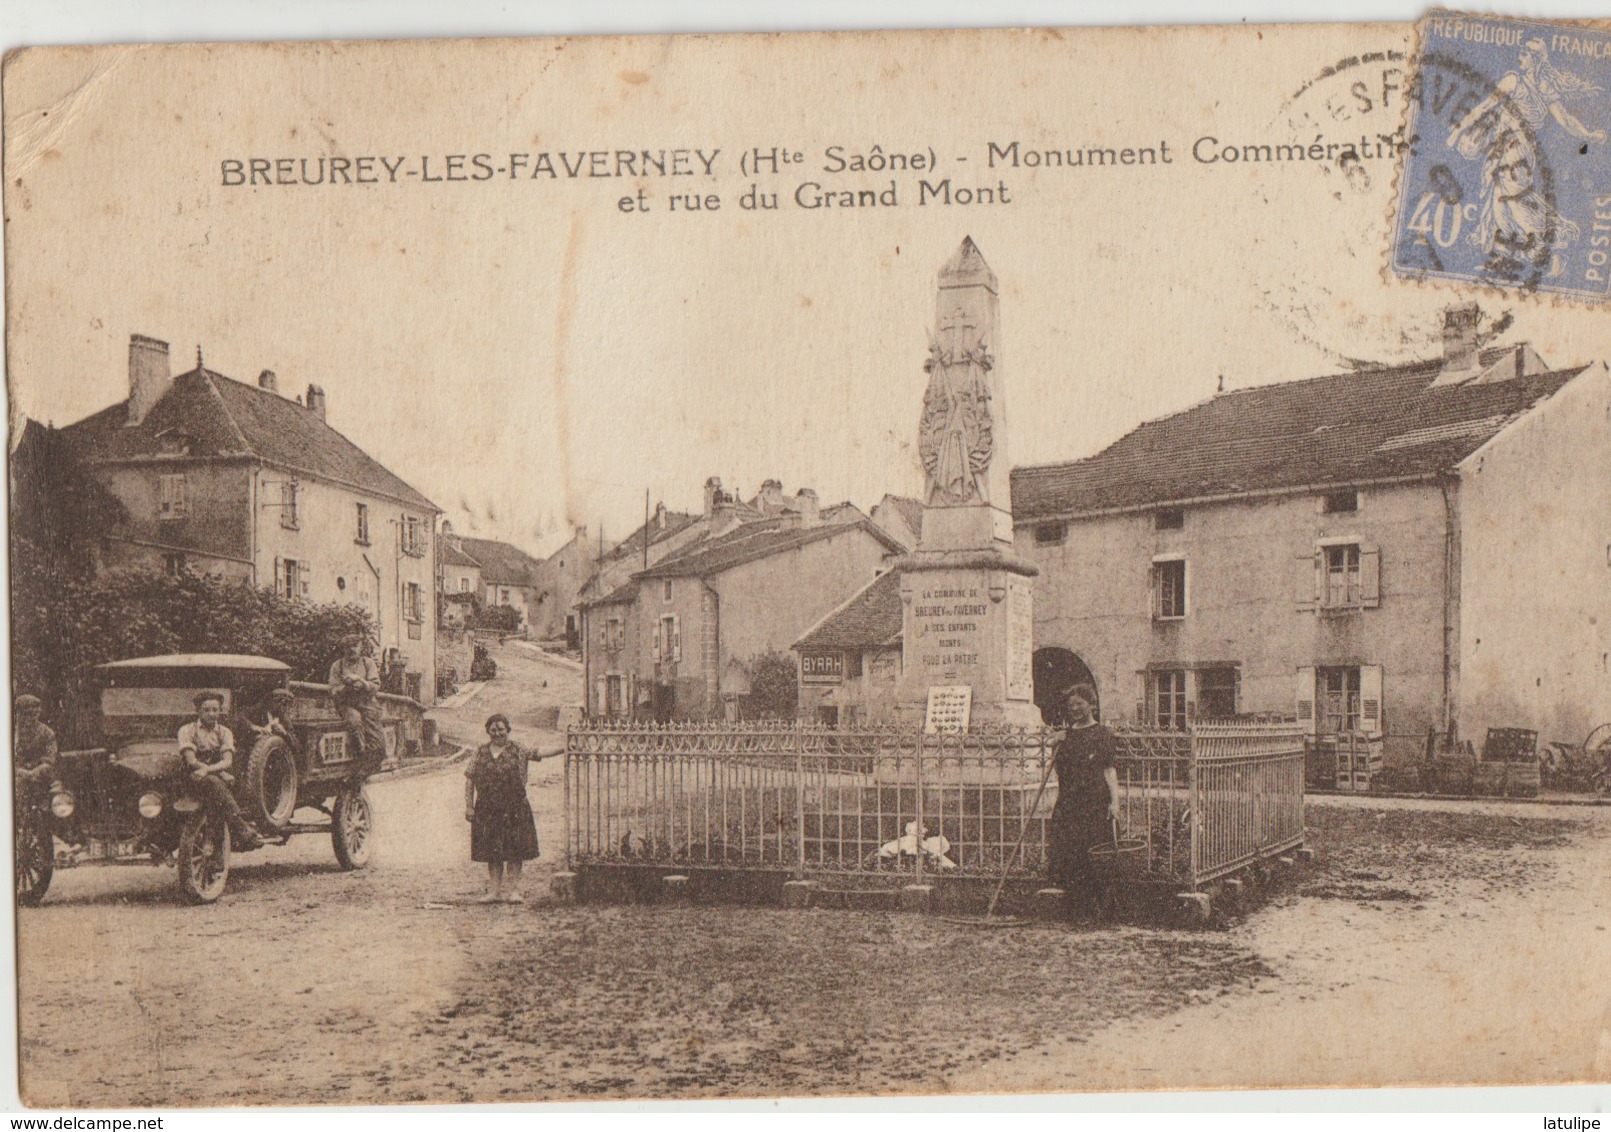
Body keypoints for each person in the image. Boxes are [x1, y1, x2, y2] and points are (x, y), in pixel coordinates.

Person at [1446, 38, 1606, 273]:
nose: (1519, 56)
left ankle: (1552, 243)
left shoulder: (1525, 83)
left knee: (1514, 199)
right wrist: (1461, 128)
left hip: (1514, 150)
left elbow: (1564, 119)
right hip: (1509, 149)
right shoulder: (1526, 83)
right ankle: (1510, 256)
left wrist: (1589, 135)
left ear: (1536, 59)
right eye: (1520, 52)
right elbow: (1487, 107)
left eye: (1524, 53)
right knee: (1500, 200)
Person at [1045, 685, 1119, 921]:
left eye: (1079, 704)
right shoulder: (1065, 735)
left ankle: (1096, 909)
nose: (1075, 709)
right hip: (1069, 801)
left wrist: (1115, 802)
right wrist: (1053, 742)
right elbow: (1055, 766)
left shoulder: (1103, 734)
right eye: (1071, 705)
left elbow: (1109, 770)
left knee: (1093, 854)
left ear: (1091, 705)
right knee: (1070, 853)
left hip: (1095, 801)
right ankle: (1077, 909)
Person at [464, 713, 555, 903]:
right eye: (493, 730)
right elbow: (470, 779)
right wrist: (469, 807)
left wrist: (564, 748)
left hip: (515, 807)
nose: (497, 733)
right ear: (488, 731)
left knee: (515, 851)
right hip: (487, 809)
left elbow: (538, 752)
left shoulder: (518, 749)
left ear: (508, 730)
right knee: (492, 852)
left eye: (501, 729)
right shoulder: (480, 751)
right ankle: (494, 892)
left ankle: (514, 891)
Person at [177, 692, 264, 850]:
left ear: (220, 711)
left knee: (215, 789)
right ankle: (241, 827)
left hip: (211, 776)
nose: (211, 714)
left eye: (215, 710)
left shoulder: (225, 732)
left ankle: (216, 848)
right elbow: (191, 761)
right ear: (198, 711)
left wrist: (209, 771)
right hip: (191, 776)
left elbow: (227, 761)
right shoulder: (187, 730)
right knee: (215, 782)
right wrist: (213, 771)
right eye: (206, 710)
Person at [329, 637, 385, 761]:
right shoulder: (337, 666)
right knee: (354, 721)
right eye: (348, 647)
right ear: (343, 649)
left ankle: (374, 759)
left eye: (355, 646)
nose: (351, 649)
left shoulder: (368, 663)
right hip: (347, 704)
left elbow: (375, 686)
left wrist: (360, 680)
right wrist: (345, 686)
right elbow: (333, 690)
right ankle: (361, 756)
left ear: (361, 648)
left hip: (367, 702)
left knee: (375, 735)